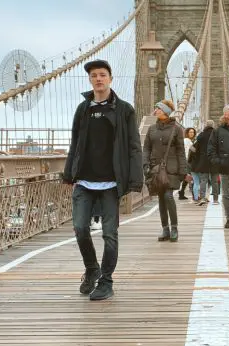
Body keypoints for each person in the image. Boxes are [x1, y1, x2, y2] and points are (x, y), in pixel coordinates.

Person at [62, 59, 143, 301]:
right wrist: (69, 173)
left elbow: (134, 146)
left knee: (110, 233)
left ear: (110, 78)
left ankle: (106, 281)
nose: (98, 79)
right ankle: (91, 268)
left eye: (102, 74)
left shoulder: (124, 110)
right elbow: (74, 143)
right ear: (90, 80)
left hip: (110, 182)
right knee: (79, 228)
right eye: (94, 75)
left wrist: (135, 181)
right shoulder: (83, 109)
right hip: (85, 180)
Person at [143, 100, 188, 242]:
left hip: (172, 169)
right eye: (156, 108)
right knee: (161, 199)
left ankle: (174, 227)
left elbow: (181, 151)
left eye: (158, 109)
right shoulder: (151, 129)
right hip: (156, 169)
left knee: (168, 196)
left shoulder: (176, 129)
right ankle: (165, 229)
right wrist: (145, 164)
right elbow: (146, 149)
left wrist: (183, 170)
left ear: (166, 112)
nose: (155, 111)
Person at [191, 120, 217, 206]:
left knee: (203, 180)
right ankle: (216, 199)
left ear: (205, 125)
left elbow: (196, 150)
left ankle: (202, 197)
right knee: (214, 181)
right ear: (213, 125)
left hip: (203, 161)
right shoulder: (217, 134)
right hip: (214, 160)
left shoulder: (201, 135)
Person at [180, 127, 197, 200]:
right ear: (187, 133)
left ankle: (181, 193)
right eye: (190, 132)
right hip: (187, 161)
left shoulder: (186, 140)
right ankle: (194, 195)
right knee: (192, 177)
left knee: (186, 178)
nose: (192, 133)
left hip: (185, 161)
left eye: (193, 132)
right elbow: (194, 150)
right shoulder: (187, 141)